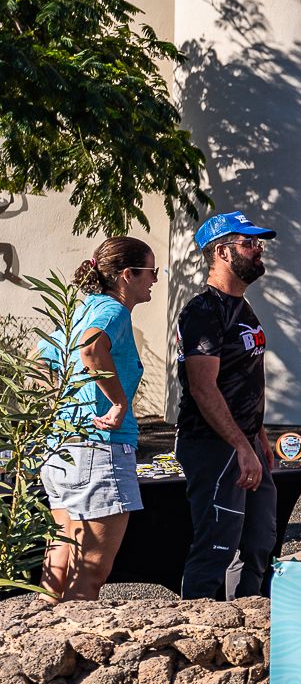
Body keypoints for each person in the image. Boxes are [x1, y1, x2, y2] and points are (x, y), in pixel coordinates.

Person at [37, 237, 156, 601]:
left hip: (62, 447)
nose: (154, 281)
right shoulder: (113, 310)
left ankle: (39, 648)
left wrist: (63, 400)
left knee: (56, 572)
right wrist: (117, 403)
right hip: (98, 450)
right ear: (127, 275)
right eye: (151, 272)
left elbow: (41, 353)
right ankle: (71, 654)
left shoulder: (80, 310)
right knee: (89, 575)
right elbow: (90, 348)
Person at [175, 212, 277, 598]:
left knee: (260, 542)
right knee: (217, 545)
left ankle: (252, 631)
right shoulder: (203, 311)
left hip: (244, 440)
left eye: (258, 243)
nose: (258, 250)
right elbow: (203, 388)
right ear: (221, 252)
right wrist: (238, 445)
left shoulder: (243, 308)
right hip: (214, 443)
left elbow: (244, 378)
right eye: (248, 243)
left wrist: (257, 435)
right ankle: (197, 637)